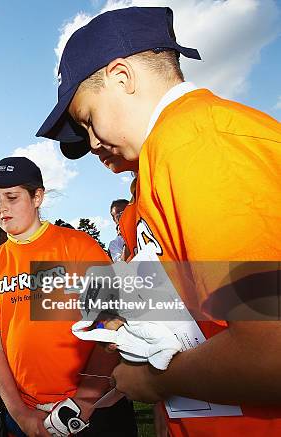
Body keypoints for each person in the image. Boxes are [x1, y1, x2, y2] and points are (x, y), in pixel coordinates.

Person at [36, 6, 281, 436]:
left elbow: (272, 351)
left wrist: (154, 380)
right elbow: (176, 303)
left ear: (121, 78)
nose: (92, 143)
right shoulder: (158, 164)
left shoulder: (200, 145)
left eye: (89, 119)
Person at [0, 157, 137, 437]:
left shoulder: (78, 247)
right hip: (29, 413)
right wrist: (20, 413)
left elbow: (111, 326)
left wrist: (83, 401)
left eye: (12, 197)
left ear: (38, 197)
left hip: (96, 411)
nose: (2, 208)